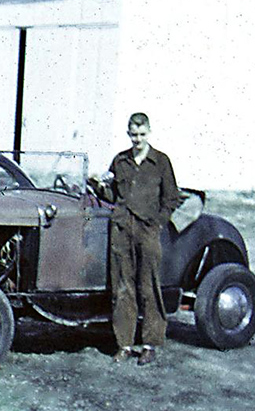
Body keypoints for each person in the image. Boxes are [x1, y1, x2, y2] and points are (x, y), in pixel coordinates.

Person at [89, 112, 180, 366]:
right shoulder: (120, 161)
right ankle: (125, 345)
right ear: (128, 134)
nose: (137, 139)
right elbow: (110, 193)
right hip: (121, 229)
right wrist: (97, 185)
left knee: (149, 287)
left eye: (142, 134)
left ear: (148, 133)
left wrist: (157, 223)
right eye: (133, 134)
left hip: (148, 230)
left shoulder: (160, 161)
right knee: (122, 288)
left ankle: (149, 345)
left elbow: (172, 197)